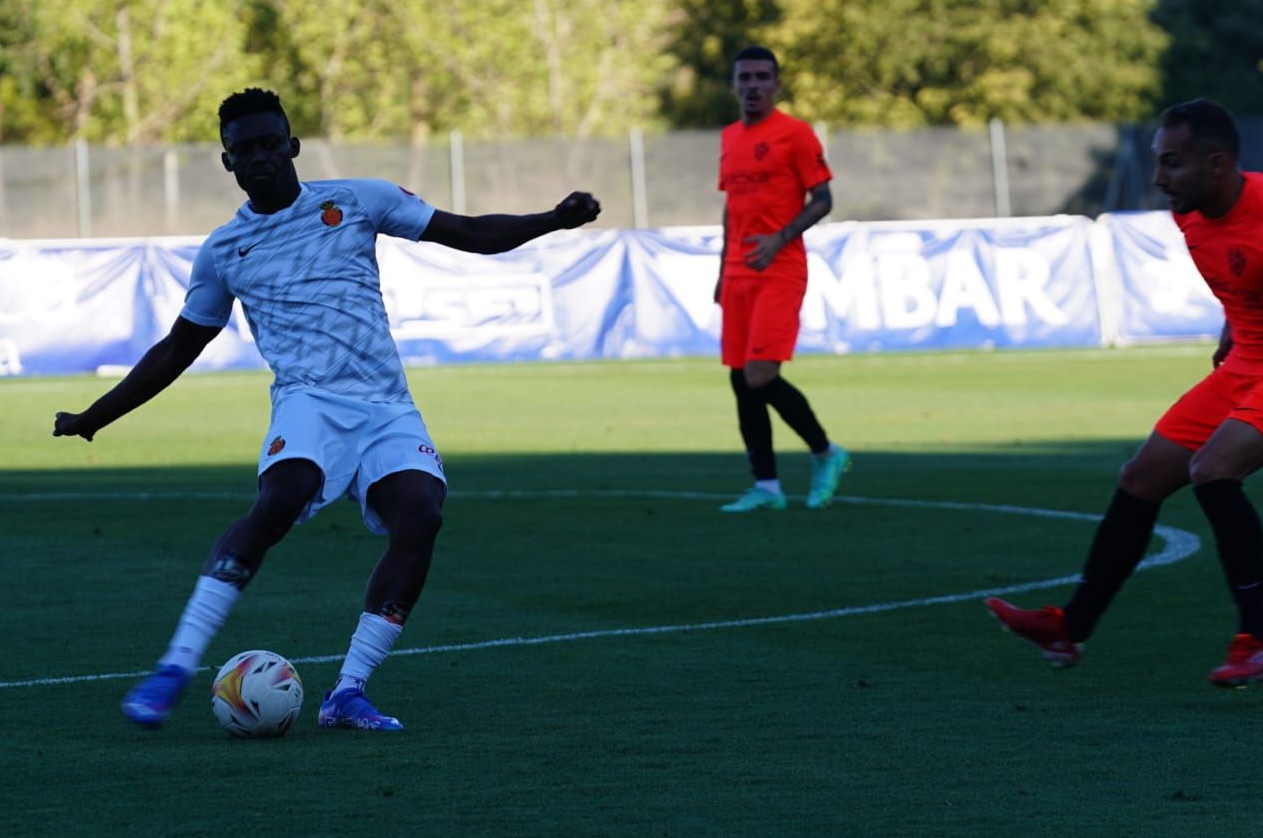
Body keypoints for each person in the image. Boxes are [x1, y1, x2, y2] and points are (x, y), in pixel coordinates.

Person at [54, 87, 600, 731]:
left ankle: (348, 692)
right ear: (227, 162)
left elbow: (470, 233)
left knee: (420, 517)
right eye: (244, 150)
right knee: (282, 497)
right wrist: (96, 416)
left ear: (292, 146)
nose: (259, 157)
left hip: (387, 406)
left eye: (268, 144)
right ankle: (175, 665)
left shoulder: (357, 201)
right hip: (308, 401)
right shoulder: (225, 251)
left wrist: (552, 220)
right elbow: (178, 347)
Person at [986, 99, 1263, 688]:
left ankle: (1259, 643)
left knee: (1212, 470)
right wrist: (1230, 333)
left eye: (1171, 164)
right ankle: (1069, 628)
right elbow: (1245, 287)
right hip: (1245, 364)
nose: (1159, 178)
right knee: (1140, 478)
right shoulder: (1192, 207)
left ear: (1216, 164)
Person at [713, 45, 850, 513]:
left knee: (759, 374)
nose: (752, 85)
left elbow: (823, 198)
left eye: (761, 77)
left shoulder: (795, 134)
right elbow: (732, 207)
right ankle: (767, 487)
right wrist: (720, 270)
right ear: (733, 85)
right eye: (744, 78)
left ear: (777, 85)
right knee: (739, 379)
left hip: (780, 268)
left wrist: (780, 237)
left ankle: (826, 453)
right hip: (736, 273)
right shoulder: (729, 137)